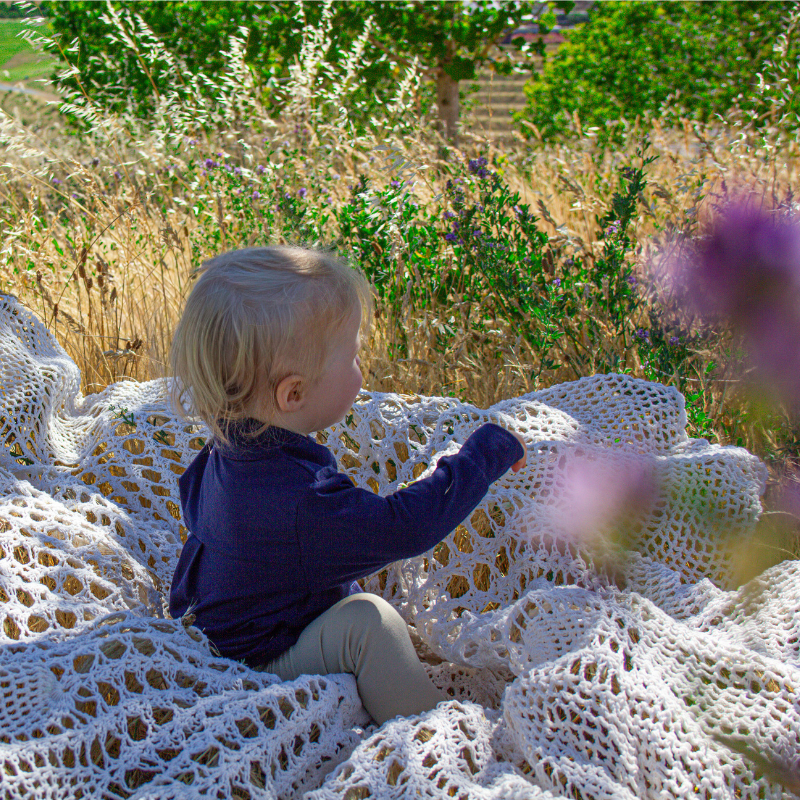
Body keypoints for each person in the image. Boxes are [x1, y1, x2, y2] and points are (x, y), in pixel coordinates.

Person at [168, 245, 527, 725]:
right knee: (368, 623)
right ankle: (432, 730)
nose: (362, 371)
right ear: (294, 393)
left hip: (222, 630)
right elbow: (406, 528)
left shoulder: (226, 449)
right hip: (255, 662)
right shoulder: (300, 504)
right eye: (354, 357)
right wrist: (484, 456)